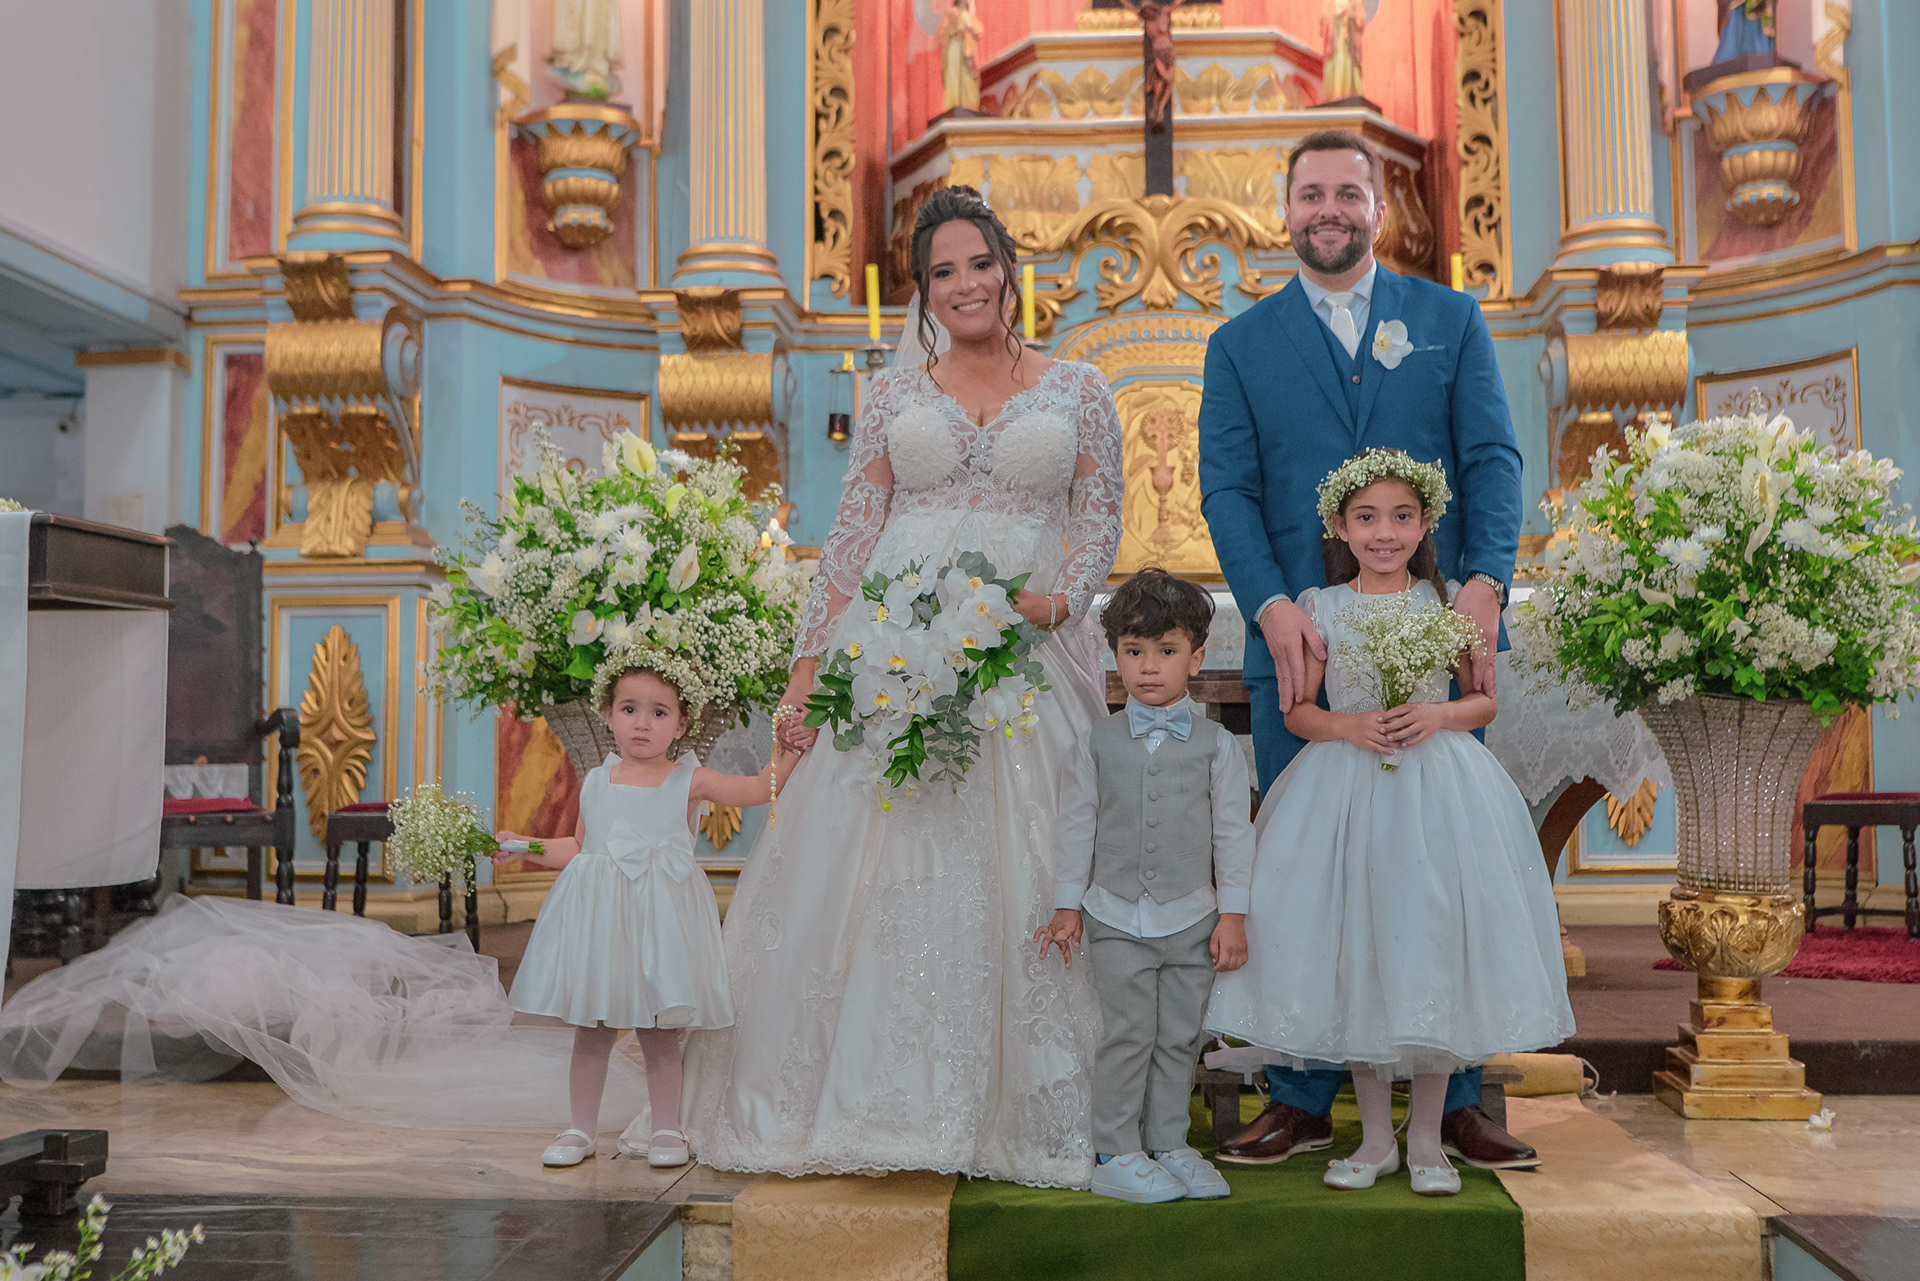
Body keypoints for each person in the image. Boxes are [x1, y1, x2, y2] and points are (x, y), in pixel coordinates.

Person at [686, 186, 1124, 1189]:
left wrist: (1062, 600)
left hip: (1024, 643)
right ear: (924, 290)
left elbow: (1099, 509)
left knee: (1024, 853)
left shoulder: (1078, 386)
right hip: (892, 647)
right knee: (883, 855)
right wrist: (806, 679)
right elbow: (850, 542)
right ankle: (873, 1100)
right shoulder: (892, 396)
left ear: (1010, 268)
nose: (965, 285)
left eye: (979, 263)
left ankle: (1016, 1105)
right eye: (942, 272)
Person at [1196, 128, 1539, 1171]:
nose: (1329, 210)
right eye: (1311, 195)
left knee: (1439, 881)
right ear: (1284, 209)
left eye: (1350, 193)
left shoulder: (1449, 319)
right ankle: (1302, 1091)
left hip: (1432, 633)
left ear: (1378, 211)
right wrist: (1268, 607)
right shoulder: (1241, 344)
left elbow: (1491, 456)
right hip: (1306, 649)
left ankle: (1462, 1093)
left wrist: (1482, 579)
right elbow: (1229, 489)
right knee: (1309, 882)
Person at [1204, 452, 1573, 1196]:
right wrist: (1349, 728)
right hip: (1345, 794)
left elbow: (1483, 702)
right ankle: (1374, 1140)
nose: (1384, 532)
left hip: (1436, 799)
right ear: (1339, 525)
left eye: (1402, 516)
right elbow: (1298, 711)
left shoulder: (1447, 608)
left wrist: (1436, 714)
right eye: (1367, 517)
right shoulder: (1320, 605)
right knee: (1363, 954)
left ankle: (1429, 1141)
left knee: (1429, 950)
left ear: (1426, 522)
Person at [498, 660, 797, 1170]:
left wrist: (787, 754)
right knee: (593, 1029)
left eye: (659, 713)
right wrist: (521, 844)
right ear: (608, 716)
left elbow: (753, 791)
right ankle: (579, 1128)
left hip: (660, 924)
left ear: (681, 726)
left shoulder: (690, 780)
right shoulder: (594, 780)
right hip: (604, 922)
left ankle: (666, 1128)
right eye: (629, 709)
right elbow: (577, 847)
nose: (642, 723)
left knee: (660, 1030)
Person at [1038, 568, 1253, 1204]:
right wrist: (1066, 906)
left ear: (1197, 656)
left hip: (1192, 917)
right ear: (1115, 658)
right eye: (1134, 652)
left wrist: (1233, 915)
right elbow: (1075, 830)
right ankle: (1115, 1149)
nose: (1150, 667)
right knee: (1129, 1032)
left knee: (1180, 1036)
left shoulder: (1217, 746)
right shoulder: (1093, 744)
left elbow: (1232, 837)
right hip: (1114, 917)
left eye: (1166, 651)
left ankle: (1170, 1143)